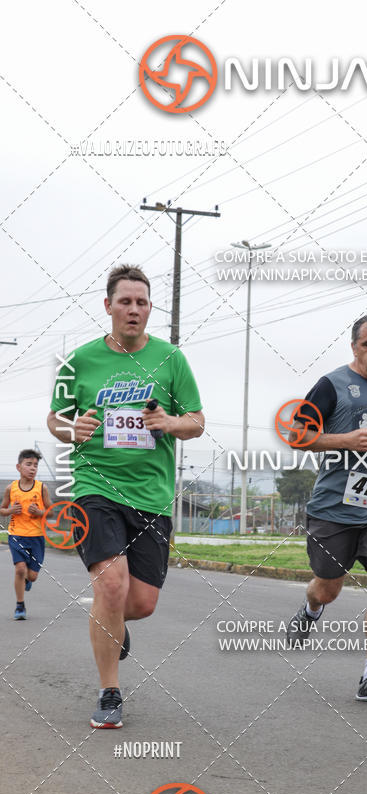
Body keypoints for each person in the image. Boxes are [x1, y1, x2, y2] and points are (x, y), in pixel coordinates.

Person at [47, 265, 204, 729]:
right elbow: (55, 418)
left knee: (139, 604)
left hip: (151, 496)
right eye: (125, 302)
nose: (133, 310)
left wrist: (169, 423)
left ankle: (114, 627)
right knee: (110, 585)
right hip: (95, 487)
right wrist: (70, 428)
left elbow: (196, 420)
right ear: (108, 306)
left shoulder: (171, 359)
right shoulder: (77, 362)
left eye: (142, 302)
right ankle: (110, 692)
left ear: (149, 308)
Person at [286, 314, 367, 704]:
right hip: (333, 510)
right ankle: (309, 609)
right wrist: (344, 440)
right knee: (327, 588)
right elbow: (297, 436)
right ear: (354, 347)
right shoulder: (332, 385)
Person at [0, 449, 51, 620]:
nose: (32, 468)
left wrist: (39, 512)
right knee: (20, 569)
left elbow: (51, 512)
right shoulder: (11, 488)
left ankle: (27, 581)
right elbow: (2, 510)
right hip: (16, 535)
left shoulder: (42, 488)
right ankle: (20, 605)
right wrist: (10, 510)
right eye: (28, 464)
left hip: (36, 537)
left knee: (32, 576)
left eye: (35, 465)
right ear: (19, 467)